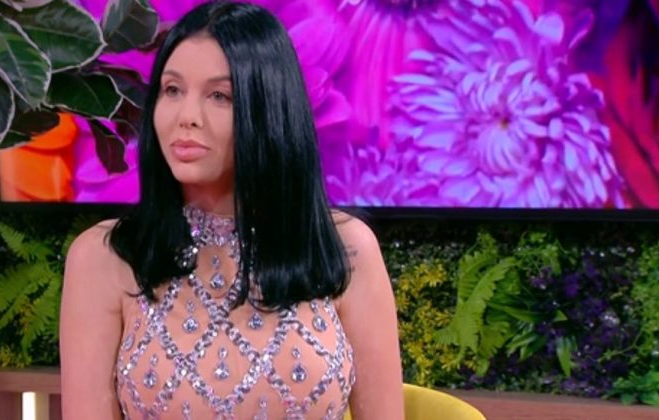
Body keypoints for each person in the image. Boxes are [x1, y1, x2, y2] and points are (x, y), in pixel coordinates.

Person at [59, 1, 403, 418]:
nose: (186, 116)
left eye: (219, 95)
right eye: (172, 90)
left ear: (269, 110)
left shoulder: (345, 248)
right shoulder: (103, 258)